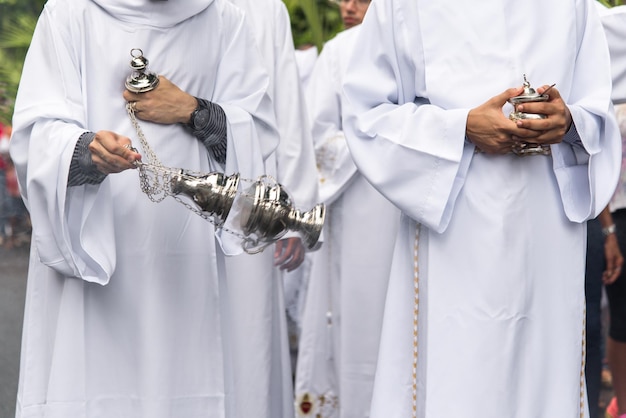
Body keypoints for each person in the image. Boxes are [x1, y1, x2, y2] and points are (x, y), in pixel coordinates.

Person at [341, 0, 622, 417]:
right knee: (459, 375)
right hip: (456, 226)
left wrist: (569, 122)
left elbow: (599, 114)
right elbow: (366, 117)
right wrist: (461, 129)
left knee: (542, 376)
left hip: (547, 234)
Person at [9, 0, 283, 416]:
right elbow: (35, 135)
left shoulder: (223, 18)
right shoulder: (69, 13)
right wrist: (85, 152)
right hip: (94, 248)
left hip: (190, 262)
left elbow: (258, 133)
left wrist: (193, 111)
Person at [210, 0, 321, 417]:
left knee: (247, 337)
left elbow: (287, 109)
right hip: (166, 193)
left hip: (247, 195)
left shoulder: (262, 7)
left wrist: (294, 210)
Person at [294, 0, 401, 417]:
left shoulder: (422, 45)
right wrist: (382, 141)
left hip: (418, 213)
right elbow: (316, 136)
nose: (348, 5)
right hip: (359, 209)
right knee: (359, 327)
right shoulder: (340, 51)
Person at [585, 5, 626, 418]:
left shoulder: (586, 15)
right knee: (609, 320)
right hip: (612, 212)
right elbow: (600, 155)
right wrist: (609, 228)